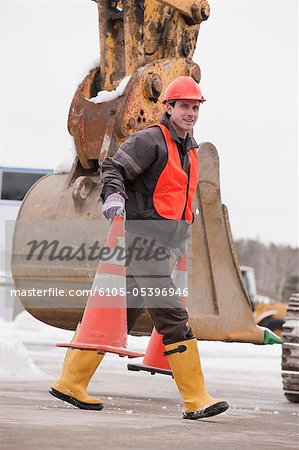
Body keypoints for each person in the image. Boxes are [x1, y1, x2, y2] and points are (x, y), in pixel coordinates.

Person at [50, 76, 229, 420]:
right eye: (184, 107)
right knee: (172, 315)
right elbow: (114, 167)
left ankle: (70, 381)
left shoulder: (188, 149)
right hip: (141, 240)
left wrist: (179, 242)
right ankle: (196, 398)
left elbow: (178, 200)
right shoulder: (151, 140)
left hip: (162, 245)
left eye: (195, 107)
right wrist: (113, 196)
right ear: (169, 108)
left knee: (119, 315)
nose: (190, 113)